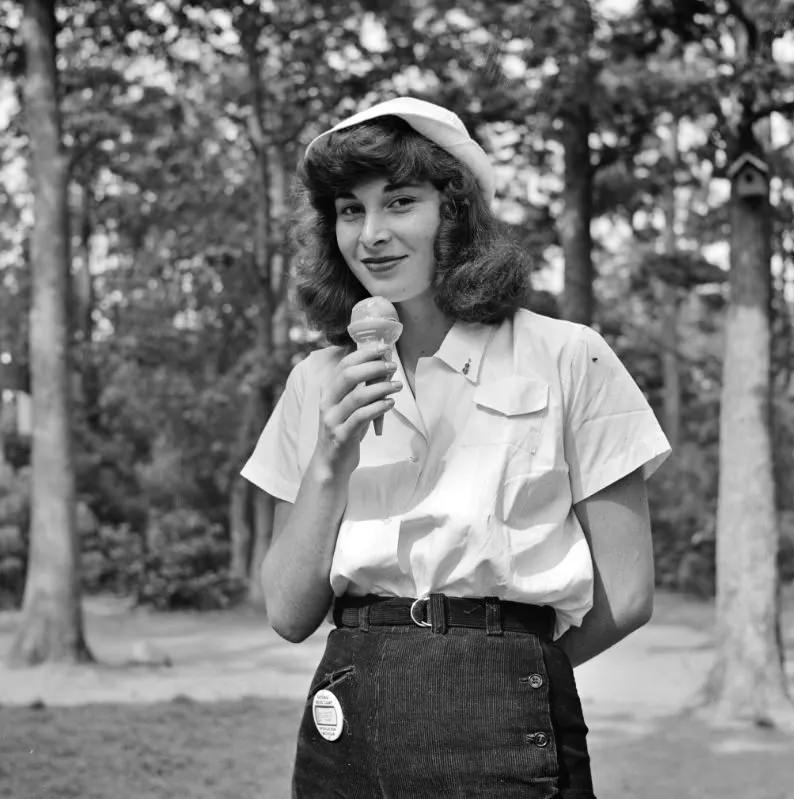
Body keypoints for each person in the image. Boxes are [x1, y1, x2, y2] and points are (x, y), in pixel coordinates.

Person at [242, 96, 671, 798]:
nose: (371, 234)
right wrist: (329, 463)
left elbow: (627, 595)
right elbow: (289, 613)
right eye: (350, 210)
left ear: (456, 210)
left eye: (400, 202)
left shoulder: (569, 356)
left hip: (507, 707)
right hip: (344, 716)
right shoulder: (317, 379)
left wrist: (506, 675)